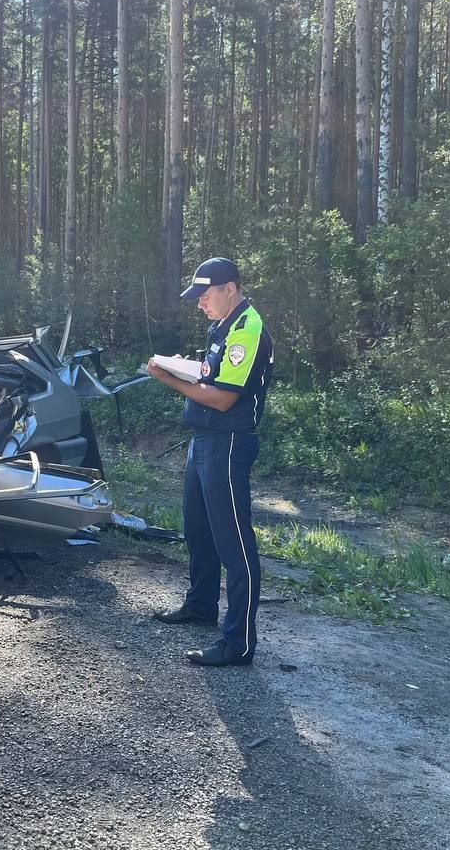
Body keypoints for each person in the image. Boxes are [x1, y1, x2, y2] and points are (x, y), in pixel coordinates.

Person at [145, 257, 273, 667]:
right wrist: (182, 369)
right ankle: (201, 604)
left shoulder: (247, 329)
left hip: (229, 443)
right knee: (198, 533)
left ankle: (238, 644)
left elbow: (222, 397)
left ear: (230, 289)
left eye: (205, 294)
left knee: (234, 544)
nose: (200, 303)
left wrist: (168, 378)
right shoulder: (221, 326)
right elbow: (208, 376)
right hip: (204, 441)